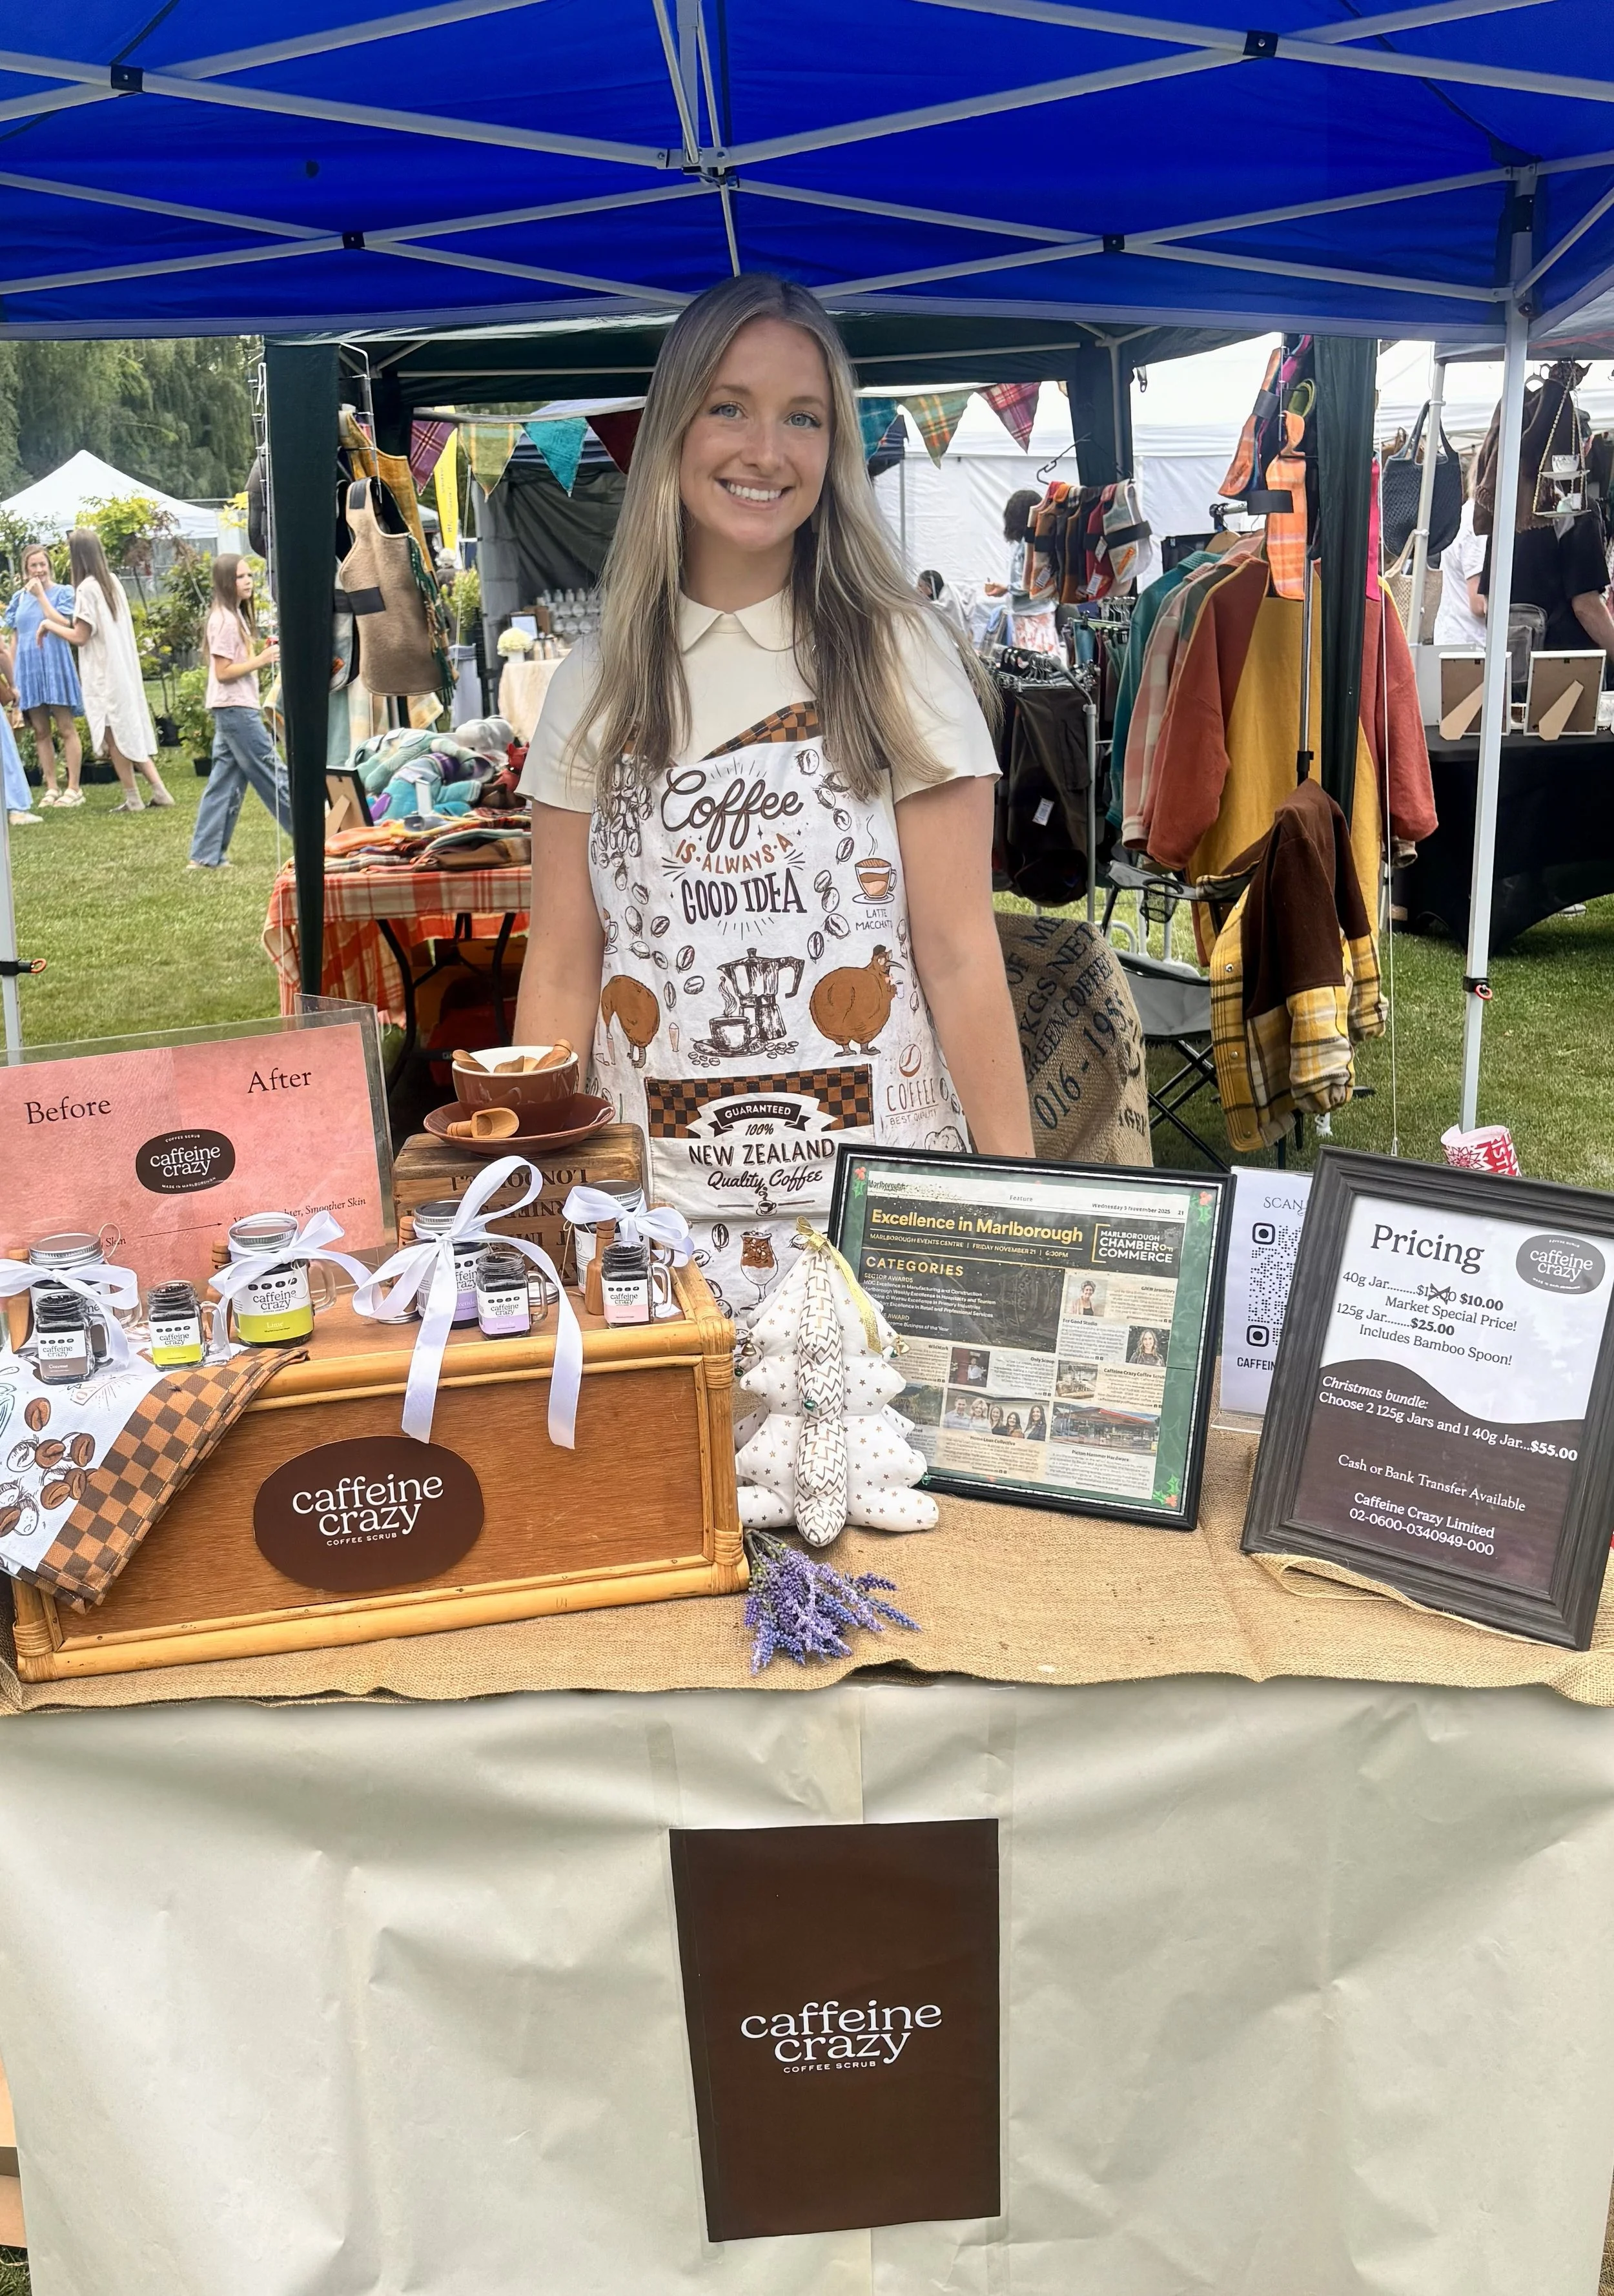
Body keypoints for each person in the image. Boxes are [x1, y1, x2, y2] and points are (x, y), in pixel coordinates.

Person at [513, 273, 1031, 1320]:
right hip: (653, 1242)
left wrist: (1025, 1204)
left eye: (804, 417)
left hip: (878, 1233)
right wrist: (540, 1207)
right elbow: (565, 962)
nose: (766, 450)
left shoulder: (901, 658)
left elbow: (961, 950)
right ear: (671, 430)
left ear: (836, 451)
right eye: (729, 406)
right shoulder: (596, 680)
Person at [32, 530, 172, 812]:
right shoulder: (112, 583)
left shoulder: (87, 589)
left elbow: (81, 635)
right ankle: (157, 791)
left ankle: (136, 797)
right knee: (126, 733)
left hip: (104, 674)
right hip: (122, 671)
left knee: (114, 736)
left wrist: (48, 626)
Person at [189, 555, 290, 871]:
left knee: (224, 782)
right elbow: (223, 671)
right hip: (235, 709)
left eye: (249, 575)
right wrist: (262, 660)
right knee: (274, 774)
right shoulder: (225, 621)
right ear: (224, 582)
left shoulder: (235, 616)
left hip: (233, 708)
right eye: (240, 577)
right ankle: (320, 837)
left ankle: (204, 855)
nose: (248, 581)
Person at [3, 544, 83, 806]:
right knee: (40, 731)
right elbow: (14, 639)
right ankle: (51, 786)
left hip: (54, 665)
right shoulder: (18, 599)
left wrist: (40, 596)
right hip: (29, 669)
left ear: (49, 566)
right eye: (33, 566)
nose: (39, 570)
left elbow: (65, 623)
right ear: (26, 571)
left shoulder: (63, 592)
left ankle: (74, 788)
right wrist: (13, 680)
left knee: (65, 726)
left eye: (42, 565)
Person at [1434, 495, 1487, 651]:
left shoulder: (1464, 515)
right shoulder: (1478, 525)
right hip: (1471, 644)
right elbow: (1479, 604)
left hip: (1455, 636)